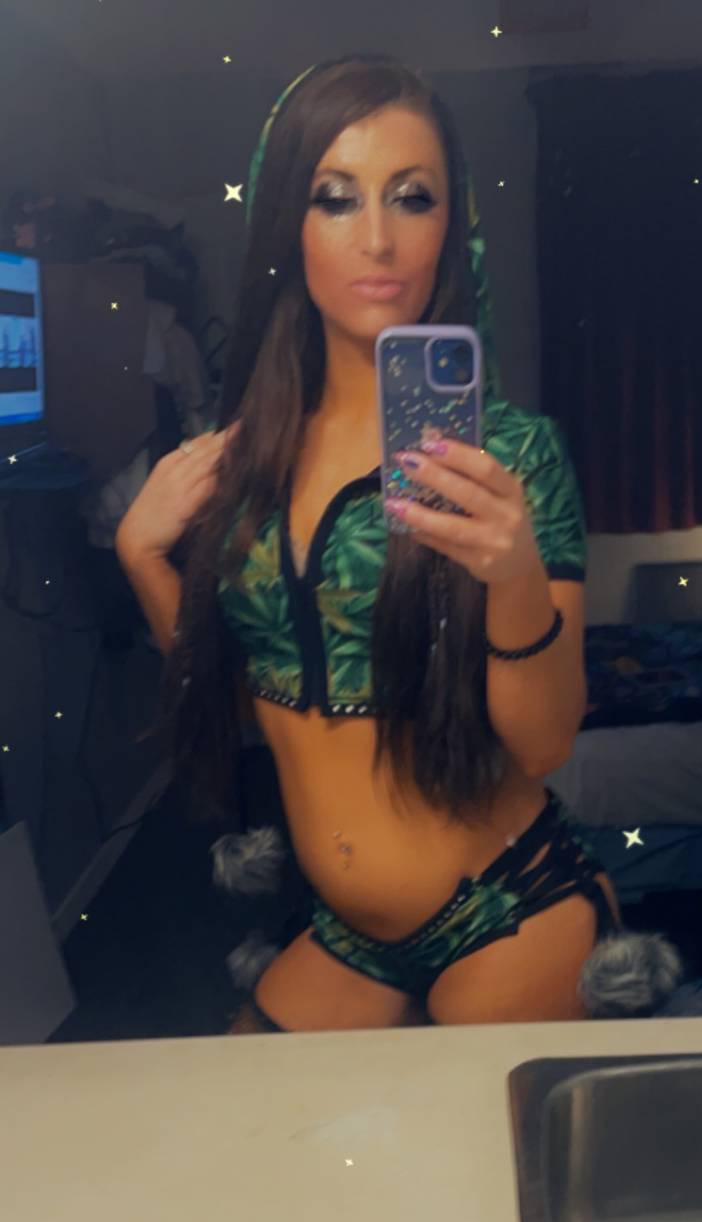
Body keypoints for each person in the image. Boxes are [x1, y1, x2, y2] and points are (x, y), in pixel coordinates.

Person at [115, 56, 619, 1034]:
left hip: (510, 910)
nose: (379, 238)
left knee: (479, 1142)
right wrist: (142, 557)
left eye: (413, 197)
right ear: (286, 225)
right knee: (239, 1116)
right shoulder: (241, 458)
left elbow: (545, 742)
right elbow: (245, 706)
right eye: (336, 198)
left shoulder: (511, 454)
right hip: (345, 931)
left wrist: (514, 572)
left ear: (452, 225)